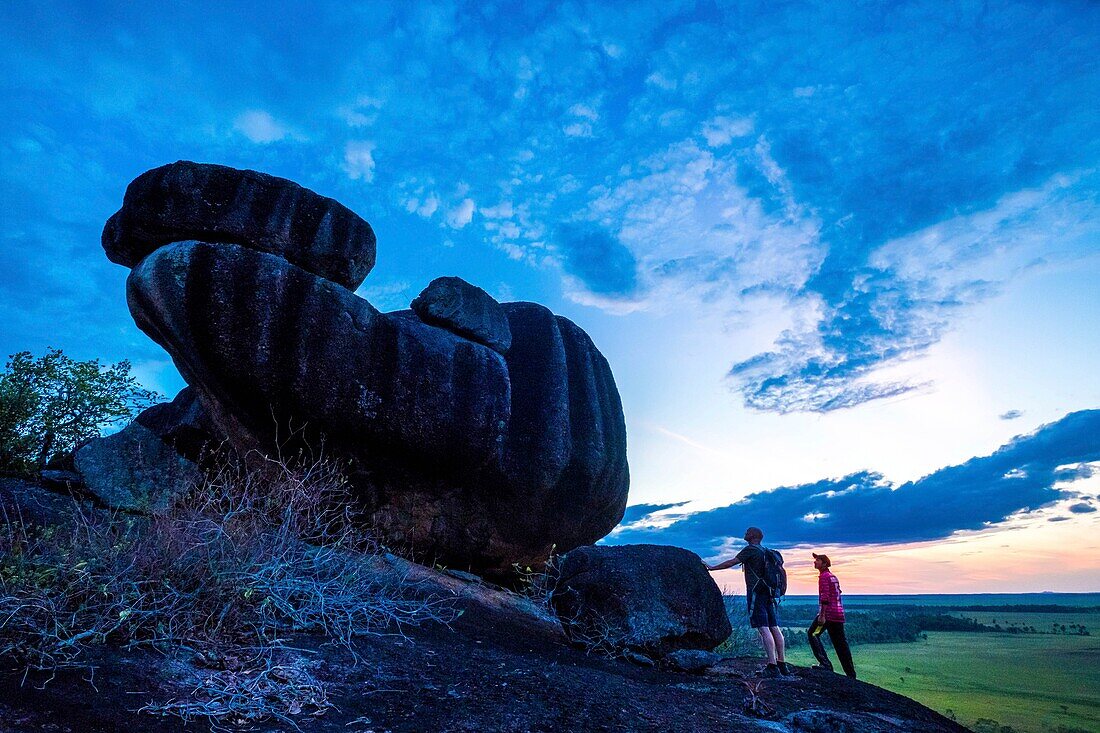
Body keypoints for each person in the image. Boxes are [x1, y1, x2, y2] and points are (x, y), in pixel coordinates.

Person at [705, 526, 790, 677]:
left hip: (757, 592)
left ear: (752, 535)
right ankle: (782, 664)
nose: (744, 534)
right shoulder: (766, 551)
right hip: (769, 593)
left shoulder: (751, 550)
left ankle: (772, 666)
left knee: (763, 628)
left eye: (747, 532)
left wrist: (712, 567)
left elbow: (731, 562)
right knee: (774, 626)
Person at [807, 552, 856, 678]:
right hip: (838, 614)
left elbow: (825, 597)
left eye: (817, 560)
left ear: (824, 563)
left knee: (813, 633)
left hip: (828, 614)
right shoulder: (833, 576)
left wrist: (822, 615)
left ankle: (825, 664)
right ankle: (850, 673)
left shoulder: (824, 577)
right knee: (841, 643)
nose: (814, 562)